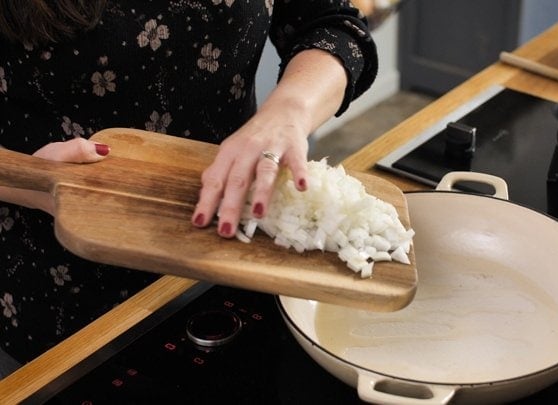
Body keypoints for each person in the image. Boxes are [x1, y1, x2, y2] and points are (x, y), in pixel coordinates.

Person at [0, 0, 377, 365]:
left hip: (237, 257)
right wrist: (28, 181)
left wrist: (291, 107)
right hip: (61, 299)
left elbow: (331, 24)